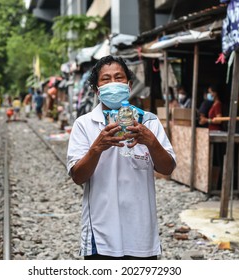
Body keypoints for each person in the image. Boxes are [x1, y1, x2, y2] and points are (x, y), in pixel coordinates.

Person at [67, 55, 176, 260]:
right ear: (96, 90)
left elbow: (167, 168)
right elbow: (77, 177)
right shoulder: (85, 124)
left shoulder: (149, 121)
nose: (113, 83)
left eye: (119, 77)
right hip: (100, 237)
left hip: (142, 237)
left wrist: (150, 141)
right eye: (106, 79)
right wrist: (97, 147)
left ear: (129, 84)